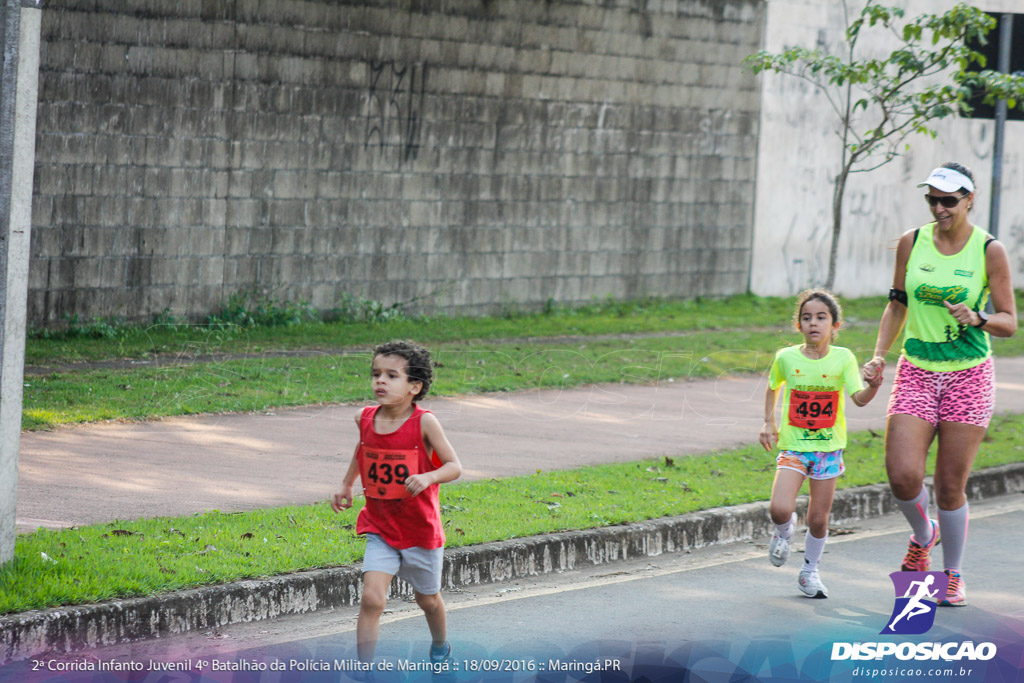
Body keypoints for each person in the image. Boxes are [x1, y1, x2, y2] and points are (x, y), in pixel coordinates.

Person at [862, 163, 1017, 607]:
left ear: (969, 199)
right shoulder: (913, 241)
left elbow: (1009, 322)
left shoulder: (990, 250)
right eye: (932, 198)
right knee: (902, 474)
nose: (939, 207)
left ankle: (953, 573)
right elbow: (897, 304)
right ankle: (923, 534)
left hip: (968, 374)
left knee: (950, 484)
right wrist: (878, 355)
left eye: (948, 200)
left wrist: (979, 317)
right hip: (917, 368)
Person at [332, 340, 463, 668]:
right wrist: (347, 483)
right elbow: (363, 449)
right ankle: (365, 669)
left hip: (420, 530)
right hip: (380, 525)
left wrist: (429, 478)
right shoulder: (364, 418)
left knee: (428, 600)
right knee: (372, 599)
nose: (380, 381)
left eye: (392, 375)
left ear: (414, 387)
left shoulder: (424, 423)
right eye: (376, 374)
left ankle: (440, 646)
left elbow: (454, 466)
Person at [760, 289, 882, 598]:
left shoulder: (844, 358)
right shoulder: (786, 358)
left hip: (828, 450)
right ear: (798, 325)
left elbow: (859, 399)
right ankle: (784, 532)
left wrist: (874, 386)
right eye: (806, 317)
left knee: (818, 518)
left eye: (821, 317)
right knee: (779, 508)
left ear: (835, 325)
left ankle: (809, 572)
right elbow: (773, 387)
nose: (813, 323)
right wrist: (768, 422)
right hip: (794, 447)